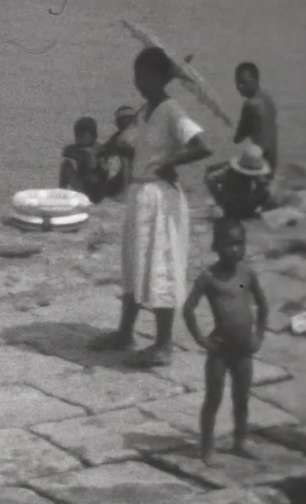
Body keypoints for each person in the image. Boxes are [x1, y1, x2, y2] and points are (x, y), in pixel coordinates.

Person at [90, 46, 213, 368]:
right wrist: (121, 150)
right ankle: (124, 333)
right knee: (133, 264)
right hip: (140, 195)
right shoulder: (146, 111)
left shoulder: (172, 110)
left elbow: (202, 147)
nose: (137, 82)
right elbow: (146, 154)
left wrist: (169, 163)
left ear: (159, 77)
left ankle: (164, 343)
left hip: (161, 199)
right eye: (136, 76)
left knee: (161, 267)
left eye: (143, 76)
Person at [182, 219, 269, 466]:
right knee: (214, 399)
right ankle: (207, 448)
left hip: (243, 351)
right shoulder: (208, 277)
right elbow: (188, 309)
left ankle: (240, 440)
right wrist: (201, 339)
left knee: (242, 398)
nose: (234, 249)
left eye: (239, 244)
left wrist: (259, 336)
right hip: (220, 351)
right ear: (216, 246)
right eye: (228, 244)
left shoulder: (246, 274)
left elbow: (263, 306)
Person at [204, 144, 272, 220]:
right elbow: (210, 178)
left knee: (266, 189)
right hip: (230, 206)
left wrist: (262, 201)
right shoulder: (229, 172)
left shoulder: (260, 176)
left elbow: (265, 190)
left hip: (249, 207)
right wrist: (218, 198)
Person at [233, 62, 279, 175]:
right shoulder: (268, 99)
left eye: (244, 82)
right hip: (272, 165)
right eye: (238, 82)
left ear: (256, 80)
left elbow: (237, 139)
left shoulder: (250, 105)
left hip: (259, 167)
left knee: (212, 173)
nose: (239, 87)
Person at [59, 116, 108, 203]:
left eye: (82, 136)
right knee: (66, 165)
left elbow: (102, 173)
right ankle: (61, 194)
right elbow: (66, 151)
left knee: (91, 173)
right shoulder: (78, 148)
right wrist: (80, 154)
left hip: (96, 189)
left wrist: (90, 157)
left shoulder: (100, 150)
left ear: (92, 135)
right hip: (82, 185)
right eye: (77, 135)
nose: (78, 138)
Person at [101, 105, 139, 197]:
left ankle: (124, 190)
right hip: (126, 173)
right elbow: (105, 148)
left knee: (123, 158)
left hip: (135, 172)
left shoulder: (131, 136)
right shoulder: (118, 137)